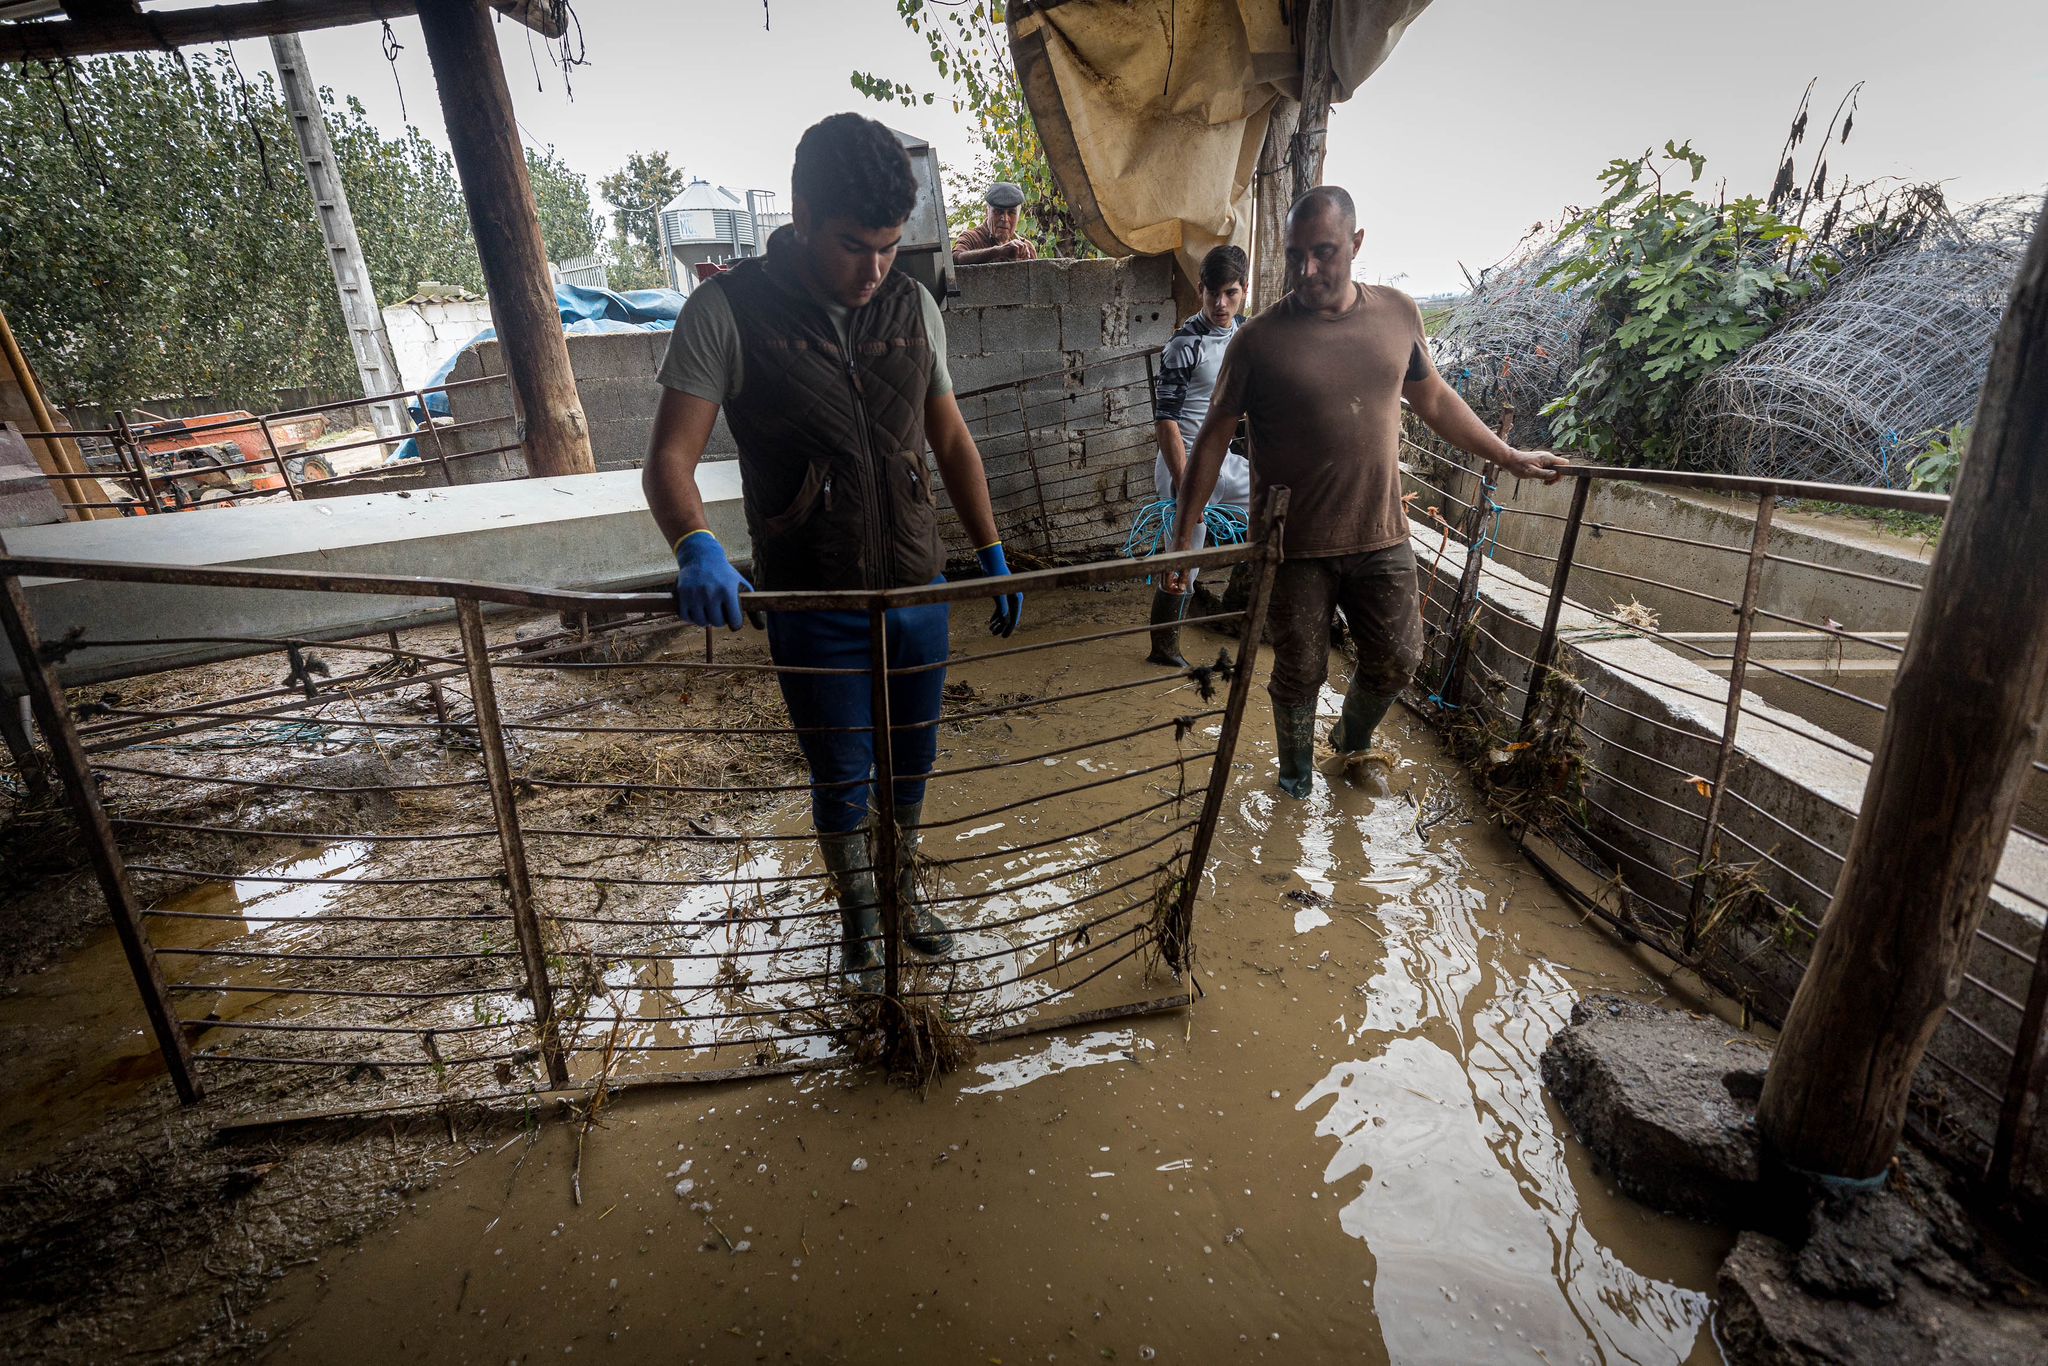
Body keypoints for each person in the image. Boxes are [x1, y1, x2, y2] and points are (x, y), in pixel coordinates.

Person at [643, 113, 1024, 990]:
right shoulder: (726, 310)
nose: (875, 269)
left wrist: (991, 548)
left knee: (913, 759)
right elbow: (669, 460)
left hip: (915, 585)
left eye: (890, 248)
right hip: (812, 599)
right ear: (803, 214)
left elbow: (953, 441)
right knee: (842, 770)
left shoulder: (912, 303)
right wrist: (695, 542)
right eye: (856, 246)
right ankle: (861, 922)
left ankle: (904, 895)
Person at [1164, 186, 1561, 798]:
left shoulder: (1398, 315)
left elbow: (1433, 400)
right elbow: (1213, 439)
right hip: (1292, 543)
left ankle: (1348, 746)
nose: (1308, 271)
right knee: (1298, 674)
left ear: (1356, 243)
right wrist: (1183, 538)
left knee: (1400, 656)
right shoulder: (1258, 341)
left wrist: (1507, 455)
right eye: (1296, 256)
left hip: (1380, 532)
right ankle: (1293, 782)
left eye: (1324, 253)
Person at [1144, 244, 1253, 667]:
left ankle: (1244, 604)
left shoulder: (1246, 335)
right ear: (1201, 291)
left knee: (1276, 503)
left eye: (1231, 293)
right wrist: (1188, 484)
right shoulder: (1184, 343)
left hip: (1223, 460)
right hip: (1183, 459)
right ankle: (1164, 648)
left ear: (1243, 291)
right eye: (1213, 294)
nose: (1221, 304)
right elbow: (1165, 422)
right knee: (1186, 546)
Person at [952, 182, 1039, 264]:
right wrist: (998, 251)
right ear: (987, 212)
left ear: (1019, 217)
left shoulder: (1027, 248)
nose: (1005, 219)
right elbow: (955, 259)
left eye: (1011, 213)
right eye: (998, 211)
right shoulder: (970, 238)